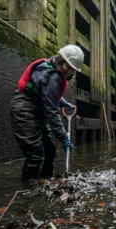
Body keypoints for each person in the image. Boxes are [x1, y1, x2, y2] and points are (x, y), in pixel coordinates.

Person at [10, 44, 84, 182]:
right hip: (25, 108)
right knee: (36, 153)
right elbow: (52, 113)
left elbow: (46, 92)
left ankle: (46, 180)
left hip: (37, 107)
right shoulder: (52, 77)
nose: (68, 72)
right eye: (67, 67)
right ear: (61, 61)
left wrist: (63, 102)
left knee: (49, 149)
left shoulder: (53, 70)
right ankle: (29, 189)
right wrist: (64, 138)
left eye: (72, 69)